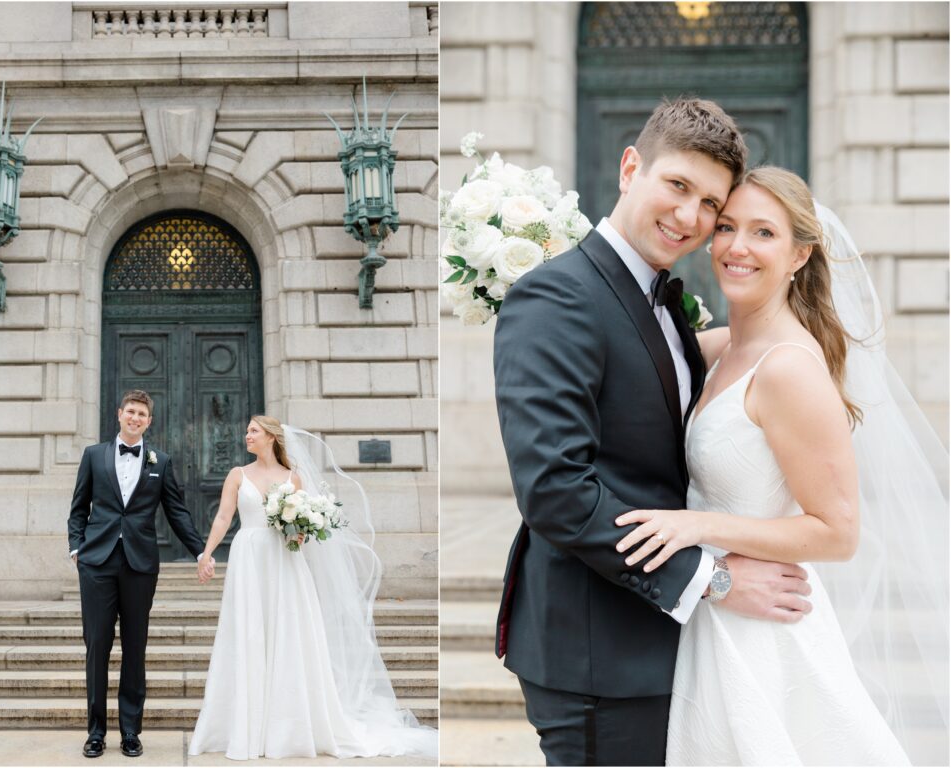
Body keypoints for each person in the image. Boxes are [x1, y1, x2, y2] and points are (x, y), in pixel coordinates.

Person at [492, 98, 814, 767]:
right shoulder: (557, 297)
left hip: (658, 644)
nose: (690, 217)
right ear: (630, 166)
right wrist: (714, 581)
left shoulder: (658, 299)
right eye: (677, 186)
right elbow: (556, 490)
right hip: (595, 655)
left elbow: (680, 377)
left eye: (710, 204)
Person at [616, 167, 948, 765]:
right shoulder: (716, 349)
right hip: (711, 611)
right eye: (726, 228)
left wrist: (696, 528)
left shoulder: (790, 367)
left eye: (763, 232)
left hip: (764, 631)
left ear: (800, 255)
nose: (737, 247)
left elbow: (837, 532)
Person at [188, 415, 437, 760]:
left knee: (288, 633)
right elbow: (223, 517)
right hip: (248, 559)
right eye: (247, 431)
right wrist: (207, 553)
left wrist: (299, 533)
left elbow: (299, 531)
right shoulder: (237, 475)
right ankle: (246, 725)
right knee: (249, 634)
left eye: (253, 431)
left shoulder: (294, 479)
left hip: (285, 561)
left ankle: (288, 726)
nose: (246, 436)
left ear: (272, 438)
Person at [67, 389, 212, 759]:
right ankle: (96, 732)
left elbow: (177, 512)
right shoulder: (93, 455)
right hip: (97, 563)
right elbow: (78, 507)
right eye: (130, 411)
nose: (135, 418)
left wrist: (200, 550)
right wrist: (76, 547)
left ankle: (131, 731)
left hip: (140, 567)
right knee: (97, 646)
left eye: (141, 415)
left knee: (135, 648)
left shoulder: (160, 461)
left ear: (149, 421)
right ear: (119, 414)